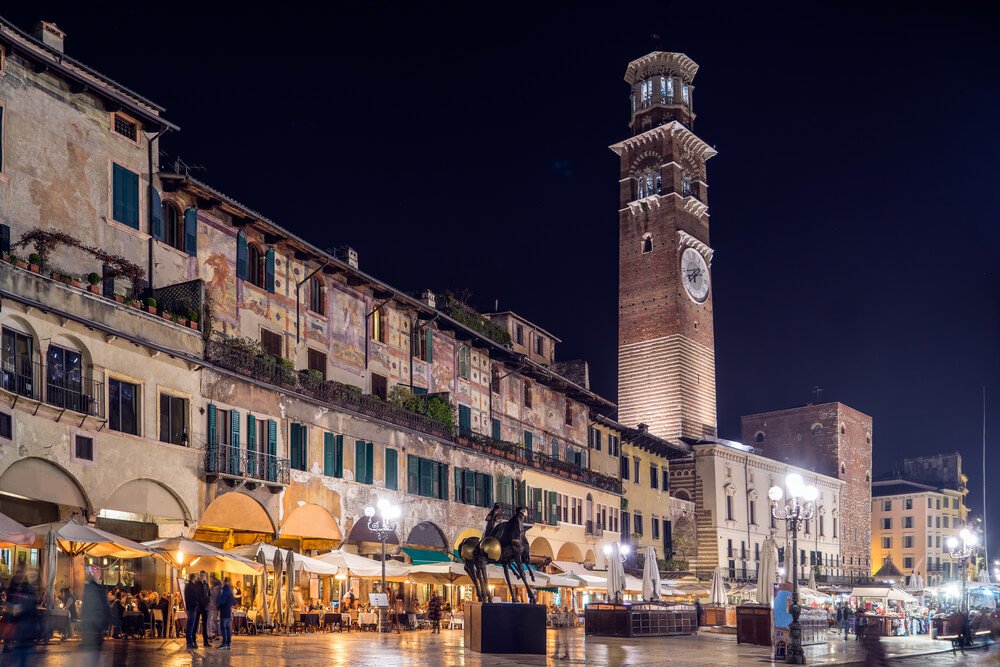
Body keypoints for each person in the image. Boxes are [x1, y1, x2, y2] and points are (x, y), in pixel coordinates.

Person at [79, 568, 111, 667]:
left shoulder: (90, 588)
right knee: (93, 653)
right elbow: (101, 607)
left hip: (91, 625)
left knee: (92, 653)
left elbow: (86, 608)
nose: (98, 575)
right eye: (96, 573)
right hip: (94, 625)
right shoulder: (95, 589)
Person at [183, 573, 201, 649]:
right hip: (192, 607)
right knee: (190, 626)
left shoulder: (189, 586)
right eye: (196, 577)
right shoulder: (190, 586)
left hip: (191, 607)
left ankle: (189, 642)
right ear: (193, 578)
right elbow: (192, 597)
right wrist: (196, 603)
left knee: (190, 625)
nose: (197, 578)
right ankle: (189, 642)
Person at [217, 578, 235, 650]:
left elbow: (221, 601)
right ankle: (228, 643)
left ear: (225, 582)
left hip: (224, 612)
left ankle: (224, 643)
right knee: (228, 628)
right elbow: (233, 602)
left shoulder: (225, 591)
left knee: (223, 628)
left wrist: (218, 606)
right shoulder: (230, 591)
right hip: (228, 612)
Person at [197, 571, 211, 648]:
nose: (202, 577)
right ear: (199, 576)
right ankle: (193, 641)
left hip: (205, 607)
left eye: (204, 575)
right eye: (201, 575)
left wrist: (208, 602)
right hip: (198, 607)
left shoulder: (206, 585)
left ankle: (206, 642)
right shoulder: (197, 584)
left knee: (205, 625)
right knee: (196, 624)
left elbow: (209, 594)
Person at [208, 575, 222, 640]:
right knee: (214, 621)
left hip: (212, 606)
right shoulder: (218, 589)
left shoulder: (214, 589)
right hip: (214, 606)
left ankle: (211, 634)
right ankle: (216, 634)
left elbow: (212, 597)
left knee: (211, 621)